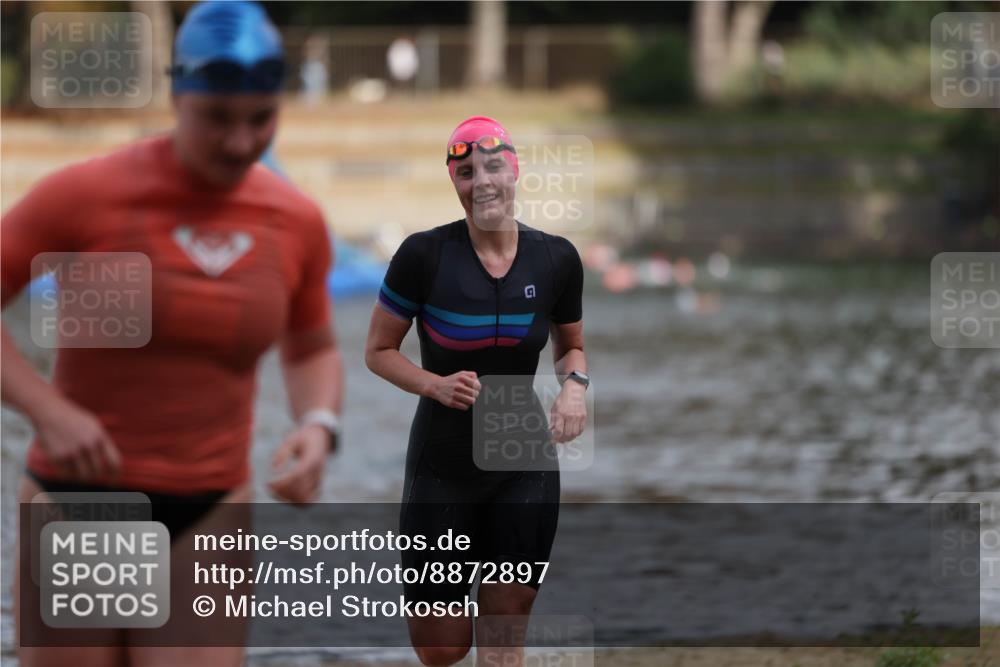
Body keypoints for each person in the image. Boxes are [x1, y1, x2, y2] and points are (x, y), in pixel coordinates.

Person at [1, 2, 343, 665]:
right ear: (177, 93)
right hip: (84, 500)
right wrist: (47, 409)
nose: (241, 143)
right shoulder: (89, 193)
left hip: (210, 506)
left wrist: (318, 422)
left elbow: (312, 345)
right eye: (217, 117)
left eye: (261, 119)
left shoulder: (295, 219)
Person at [365, 116, 588, 667]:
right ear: (454, 182)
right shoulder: (424, 255)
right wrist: (434, 384)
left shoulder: (556, 258)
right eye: (465, 172)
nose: (481, 181)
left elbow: (571, 349)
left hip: (521, 455)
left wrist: (575, 391)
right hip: (442, 463)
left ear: (514, 170)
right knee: (442, 647)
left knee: (502, 638)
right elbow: (378, 351)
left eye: (492, 166)